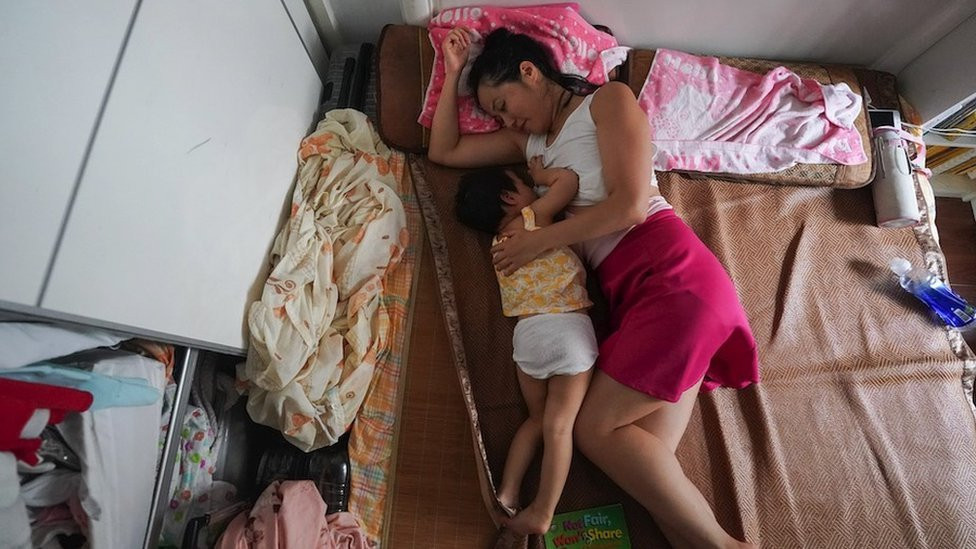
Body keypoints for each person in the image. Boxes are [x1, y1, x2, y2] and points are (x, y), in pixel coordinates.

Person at [429, 26, 760, 547]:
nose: (504, 120)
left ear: (530, 72)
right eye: (494, 116)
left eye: (503, 103)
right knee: (654, 484)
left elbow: (629, 206)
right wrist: (452, 76)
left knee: (592, 431)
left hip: (669, 272)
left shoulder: (608, 100)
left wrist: (538, 241)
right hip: (634, 297)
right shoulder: (529, 142)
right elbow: (444, 151)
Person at [454, 159, 597, 535]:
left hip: (528, 336)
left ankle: (509, 490)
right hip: (566, 326)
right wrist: (542, 176)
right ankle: (543, 511)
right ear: (510, 196)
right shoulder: (531, 219)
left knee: (536, 421)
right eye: (523, 183)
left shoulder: (498, 247)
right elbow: (568, 181)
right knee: (559, 425)